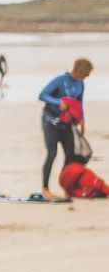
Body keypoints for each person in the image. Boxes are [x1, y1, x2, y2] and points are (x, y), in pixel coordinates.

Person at [39, 59, 93, 199]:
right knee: (52, 153)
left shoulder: (81, 83)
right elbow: (42, 95)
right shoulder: (60, 80)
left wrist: (82, 120)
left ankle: (66, 187)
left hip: (67, 123)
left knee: (70, 154)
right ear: (79, 71)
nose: (86, 77)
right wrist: (58, 102)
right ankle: (45, 188)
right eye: (85, 74)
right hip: (50, 121)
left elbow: (79, 102)